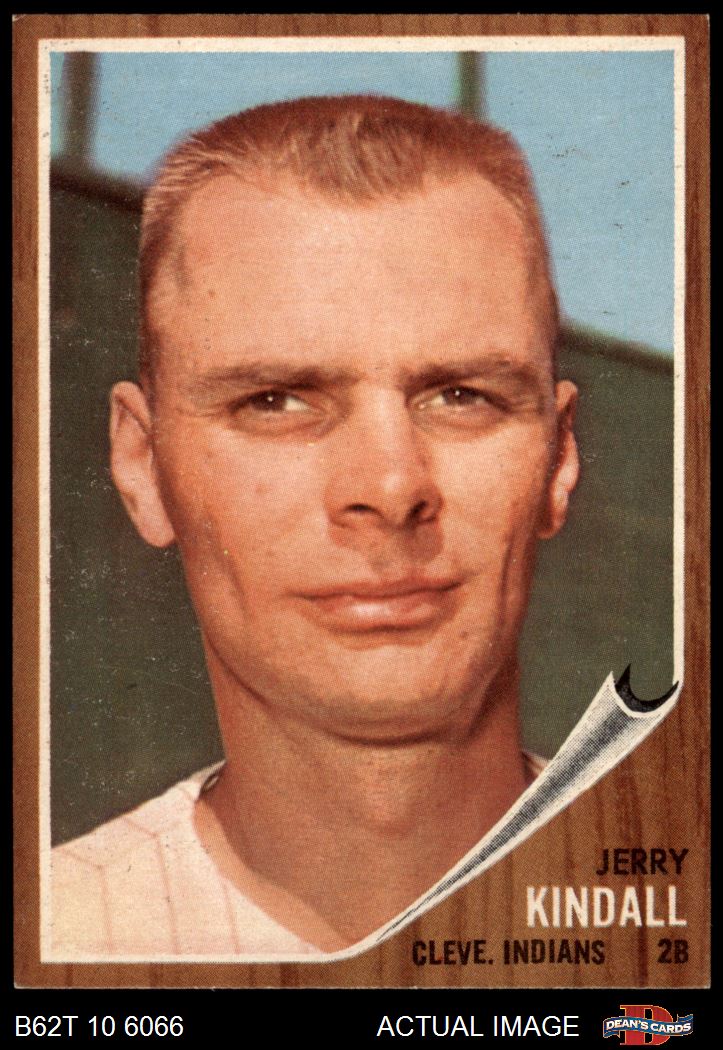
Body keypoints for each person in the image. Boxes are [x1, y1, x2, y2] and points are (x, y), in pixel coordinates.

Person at [50, 95, 579, 959]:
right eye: (275, 401)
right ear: (143, 466)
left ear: (559, 460)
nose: (390, 487)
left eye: (461, 396)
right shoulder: (55, 932)